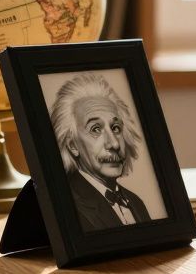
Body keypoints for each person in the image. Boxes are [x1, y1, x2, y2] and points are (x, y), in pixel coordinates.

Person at [52, 73, 151, 231]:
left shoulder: (136, 203)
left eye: (115, 128)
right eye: (96, 129)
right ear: (72, 146)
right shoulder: (68, 207)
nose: (114, 143)